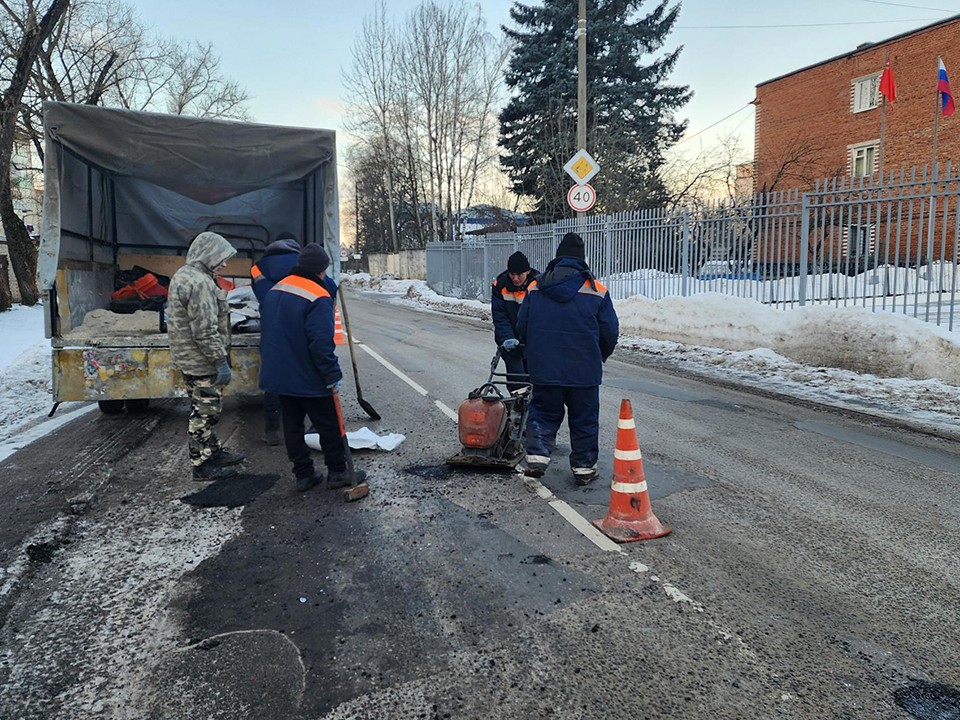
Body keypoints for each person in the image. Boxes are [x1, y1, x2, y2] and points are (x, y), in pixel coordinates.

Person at [259, 244, 366, 492]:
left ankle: (304, 475)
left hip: (278, 372)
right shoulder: (317, 295)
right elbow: (320, 342)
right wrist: (331, 373)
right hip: (307, 373)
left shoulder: (277, 288)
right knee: (329, 423)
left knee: (292, 425)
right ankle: (338, 471)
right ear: (322, 269)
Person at [516, 232, 619, 485]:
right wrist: (598, 356)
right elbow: (610, 333)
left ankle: (537, 456)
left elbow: (522, 327)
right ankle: (584, 468)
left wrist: (535, 353)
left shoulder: (535, 287)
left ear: (557, 259)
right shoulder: (597, 290)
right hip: (584, 371)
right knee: (584, 418)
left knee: (543, 411)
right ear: (581, 260)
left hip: (545, 368)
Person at [167, 231, 245, 481]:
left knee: (203, 408)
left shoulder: (188, 275)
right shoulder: (199, 283)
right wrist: (219, 360)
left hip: (191, 358)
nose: (225, 263)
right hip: (202, 361)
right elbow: (204, 329)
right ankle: (201, 465)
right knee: (205, 413)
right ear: (208, 254)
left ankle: (212, 452)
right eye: (221, 257)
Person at [251, 232, 302, 445]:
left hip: (272, 324)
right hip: (300, 323)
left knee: (273, 375)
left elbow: (259, 293)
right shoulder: (302, 263)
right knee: (303, 372)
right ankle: (308, 427)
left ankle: (272, 430)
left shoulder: (258, 266)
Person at [492, 251, 539, 391]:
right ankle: (517, 408)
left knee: (534, 380)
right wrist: (507, 337)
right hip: (509, 342)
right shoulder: (500, 285)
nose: (515, 278)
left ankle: (533, 408)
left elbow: (541, 316)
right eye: (512, 274)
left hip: (533, 342)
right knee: (516, 381)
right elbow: (500, 315)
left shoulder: (539, 285)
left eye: (520, 274)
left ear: (528, 272)